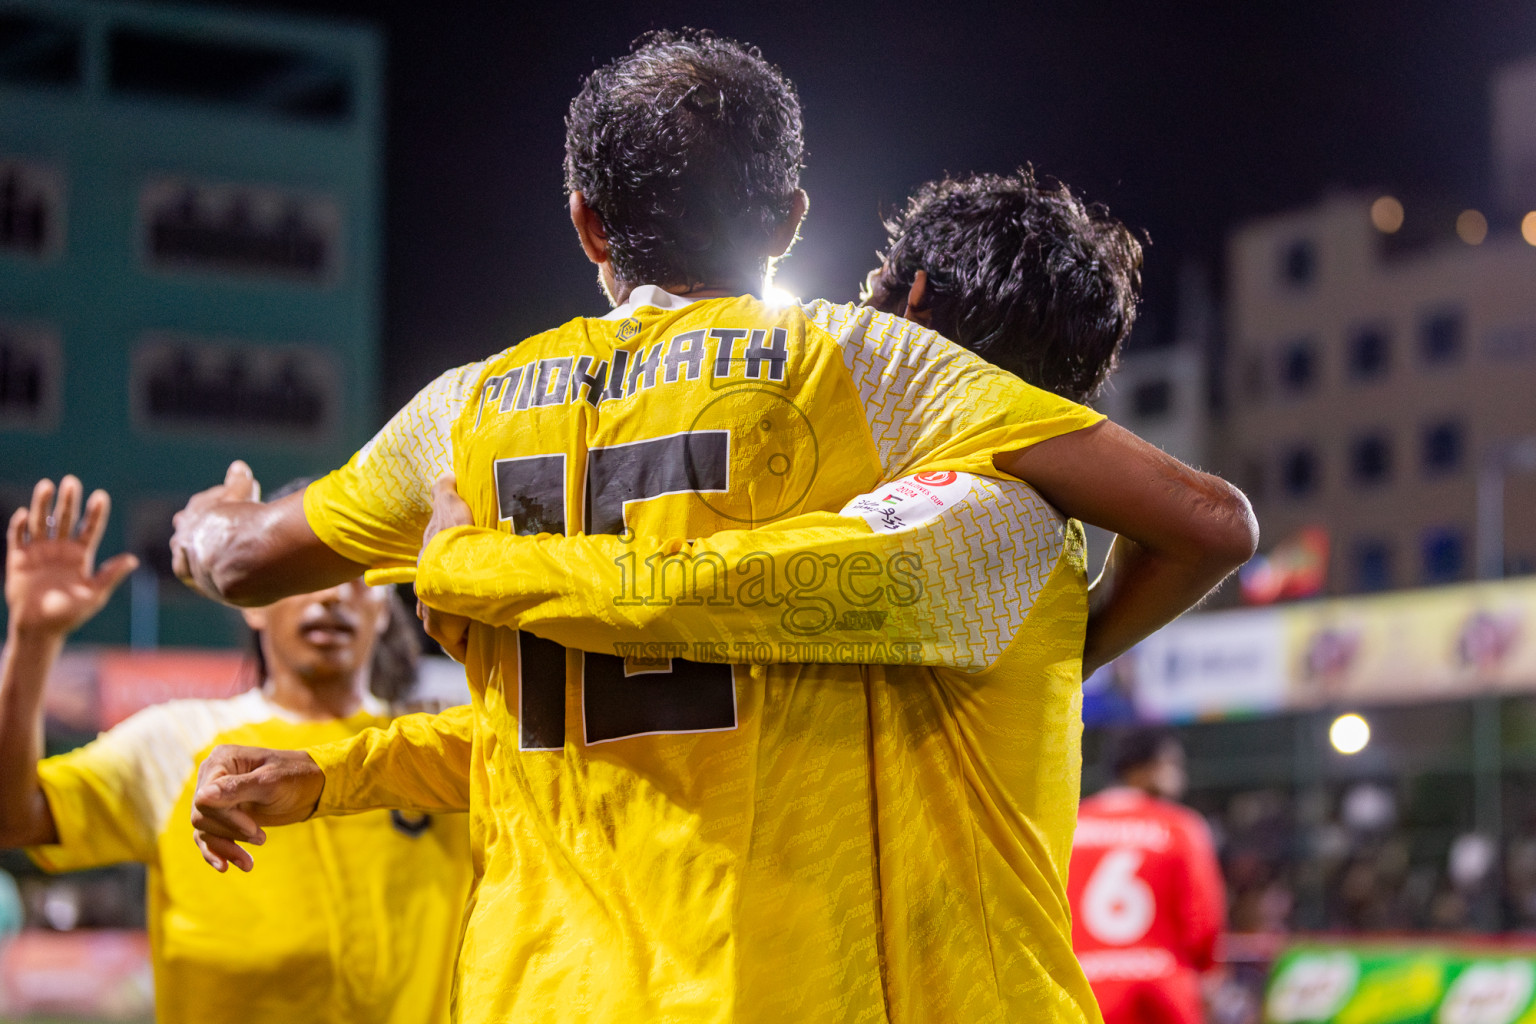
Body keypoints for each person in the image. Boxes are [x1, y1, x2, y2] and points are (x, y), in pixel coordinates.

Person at [177, 31, 1256, 1024]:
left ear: (585, 221)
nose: (870, 301)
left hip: (542, 982)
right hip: (762, 981)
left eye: (886, 288)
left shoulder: (467, 409)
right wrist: (340, 772)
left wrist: (235, 527)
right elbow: (695, 673)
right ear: (790, 220)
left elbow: (246, 563)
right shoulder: (854, 393)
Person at [0, 476, 472, 1024]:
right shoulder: (178, 743)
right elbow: (15, 819)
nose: (331, 593)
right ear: (252, 601)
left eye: (356, 574)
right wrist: (32, 638)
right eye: (307, 574)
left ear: (386, 605)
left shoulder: (438, 748)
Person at [1070, 728, 1226, 1024]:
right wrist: (1209, 974)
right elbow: (1203, 920)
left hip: (1084, 991)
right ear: (1142, 769)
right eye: (1172, 765)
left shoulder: (1071, 826)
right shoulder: (1180, 826)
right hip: (1161, 992)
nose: (1181, 776)